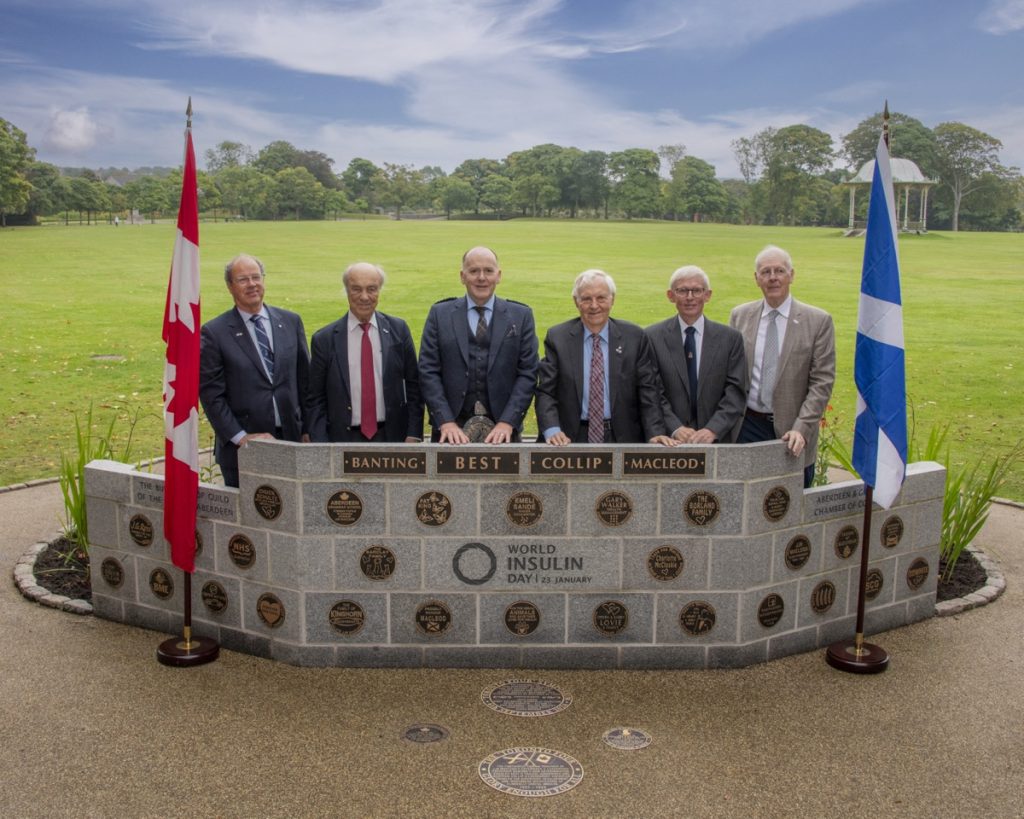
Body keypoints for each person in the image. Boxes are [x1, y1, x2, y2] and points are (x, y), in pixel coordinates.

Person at [199, 254, 310, 487]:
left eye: (256, 277)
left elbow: (305, 382)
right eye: (242, 280)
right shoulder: (214, 333)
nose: (252, 284)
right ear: (230, 286)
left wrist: (308, 430)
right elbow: (211, 395)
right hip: (243, 450)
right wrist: (241, 437)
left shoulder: (291, 321)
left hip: (292, 443)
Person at [730, 245, 835, 487]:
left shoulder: (818, 321)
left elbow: (822, 382)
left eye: (779, 270)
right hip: (747, 427)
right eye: (765, 272)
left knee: (786, 506)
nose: (773, 278)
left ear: (792, 275)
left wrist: (802, 428)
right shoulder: (740, 316)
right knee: (743, 502)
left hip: (792, 432)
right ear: (756, 279)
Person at [536, 269, 675, 446]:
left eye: (601, 298)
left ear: (612, 300)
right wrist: (553, 430)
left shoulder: (634, 337)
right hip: (570, 437)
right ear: (576, 302)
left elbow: (648, 390)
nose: (594, 305)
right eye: (586, 299)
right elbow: (546, 391)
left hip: (624, 437)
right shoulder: (558, 338)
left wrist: (655, 433)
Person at [418, 246, 538, 444]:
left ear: (498, 276)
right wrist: (445, 421)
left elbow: (528, 372)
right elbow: (428, 370)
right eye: (473, 271)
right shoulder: (440, 314)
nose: (481, 277)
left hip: (503, 432)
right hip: (450, 432)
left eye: (488, 271)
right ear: (462, 276)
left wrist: (508, 421)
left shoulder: (521, 315)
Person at [306, 262, 423, 443]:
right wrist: (321, 444)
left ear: (379, 291)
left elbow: (414, 387)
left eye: (371, 289)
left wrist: (414, 433)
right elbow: (315, 399)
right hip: (342, 440)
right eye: (356, 289)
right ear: (346, 291)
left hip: (392, 438)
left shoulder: (398, 330)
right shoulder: (325, 339)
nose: (364, 296)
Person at [646, 265, 746, 444]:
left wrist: (713, 429)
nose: (690, 297)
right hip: (670, 441)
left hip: (717, 441)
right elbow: (652, 391)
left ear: (707, 295)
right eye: (682, 290)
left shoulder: (730, 339)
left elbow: (735, 392)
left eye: (697, 291)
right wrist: (675, 427)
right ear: (671, 295)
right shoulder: (652, 337)